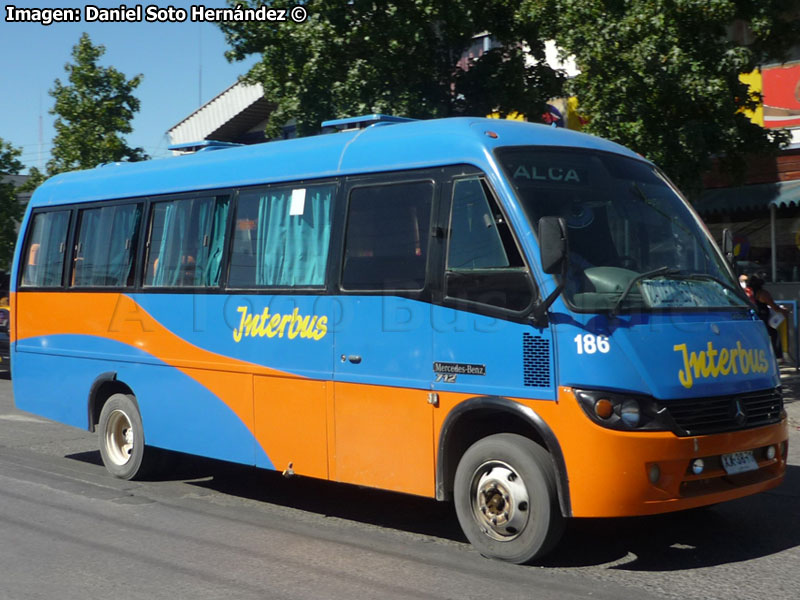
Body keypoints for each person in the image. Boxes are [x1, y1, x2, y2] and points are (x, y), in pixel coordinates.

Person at [747, 275, 789, 358]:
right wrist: (783, 311)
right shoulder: (763, 294)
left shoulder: (750, 295)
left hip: (755, 316)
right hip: (763, 317)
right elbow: (775, 307)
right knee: (773, 334)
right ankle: (775, 355)